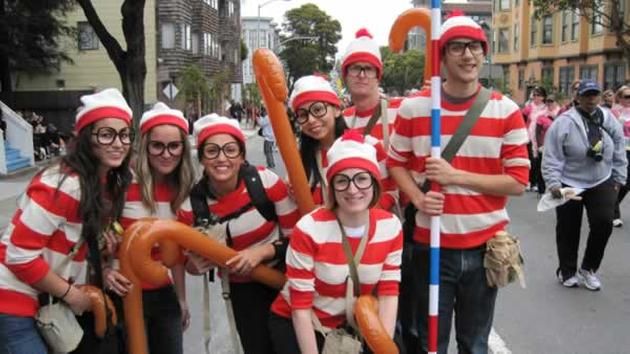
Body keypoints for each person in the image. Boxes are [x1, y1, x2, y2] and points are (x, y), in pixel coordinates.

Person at [387, 13, 530, 354]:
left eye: (476, 47)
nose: (468, 55)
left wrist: (455, 177)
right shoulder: (415, 109)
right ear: (443, 56)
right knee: (428, 342)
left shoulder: (505, 110)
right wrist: (418, 201)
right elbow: (396, 162)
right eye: (457, 47)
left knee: (474, 344)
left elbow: (518, 182)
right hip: (430, 248)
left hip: (485, 249)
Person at [0, 88, 133, 354]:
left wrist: (103, 264)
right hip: (11, 300)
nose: (118, 143)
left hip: (45, 300)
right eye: (106, 134)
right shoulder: (64, 185)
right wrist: (71, 294)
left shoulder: (102, 183)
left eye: (125, 134)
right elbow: (19, 256)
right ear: (85, 139)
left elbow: (70, 253)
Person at [268, 131, 403, 354]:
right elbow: (300, 308)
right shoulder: (309, 229)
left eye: (361, 178)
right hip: (305, 324)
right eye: (342, 181)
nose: (352, 189)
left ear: (374, 183)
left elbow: (389, 292)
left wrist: (383, 347)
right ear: (331, 187)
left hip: (357, 324)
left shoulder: (391, 227)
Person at [179, 114, 300, 354]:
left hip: (287, 279)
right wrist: (194, 265)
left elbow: (298, 238)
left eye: (230, 150)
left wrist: (261, 252)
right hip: (244, 292)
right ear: (201, 157)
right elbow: (186, 262)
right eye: (212, 151)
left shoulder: (265, 182)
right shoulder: (191, 206)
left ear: (242, 155)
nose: (222, 158)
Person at [103, 102, 195, 354]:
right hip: (123, 295)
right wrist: (104, 271)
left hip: (163, 295)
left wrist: (181, 298)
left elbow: (175, 255)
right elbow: (96, 238)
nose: (166, 154)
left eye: (174, 146)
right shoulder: (119, 185)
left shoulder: (184, 190)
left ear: (183, 148)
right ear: (145, 147)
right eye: (157, 146)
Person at [542, 79, 627, 291]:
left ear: (599, 97)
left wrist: (618, 177)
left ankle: (588, 269)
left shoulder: (608, 118)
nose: (591, 99)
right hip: (569, 181)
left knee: (604, 223)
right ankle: (567, 270)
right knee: (568, 228)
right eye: (586, 95)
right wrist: (554, 184)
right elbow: (552, 156)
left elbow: (619, 146)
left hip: (602, 178)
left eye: (594, 95)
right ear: (577, 97)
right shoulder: (563, 122)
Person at [289, 75, 398, 210]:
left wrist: (356, 219)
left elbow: (390, 193)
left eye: (318, 110)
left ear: (336, 110)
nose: (311, 120)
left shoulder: (368, 146)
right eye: (303, 115)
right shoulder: (299, 161)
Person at [341, 28, 402, 149]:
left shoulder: (402, 109)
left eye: (368, 69)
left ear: (378, 76)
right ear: (346, 75)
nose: (361, 75)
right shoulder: (342, 120)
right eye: (355, 68)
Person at [522, 86, 548, 192]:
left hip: (541, 138)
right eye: (534, 95)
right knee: (529, 160)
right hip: (529, 136)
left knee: (538, 161)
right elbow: (521, 118)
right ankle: (528, 181)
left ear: (543, 97)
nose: (535, 97)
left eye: (538, 95)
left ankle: (535, 182)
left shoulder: (547, 108)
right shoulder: (529, 107)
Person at [612, 85, 630, 227]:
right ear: (620, 98)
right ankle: (614, 213)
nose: (629, 99)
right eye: (626, 97)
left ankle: (612, 203)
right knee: (620, 179)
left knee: (627, 184)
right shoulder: (614, 112)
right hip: (619, 150)